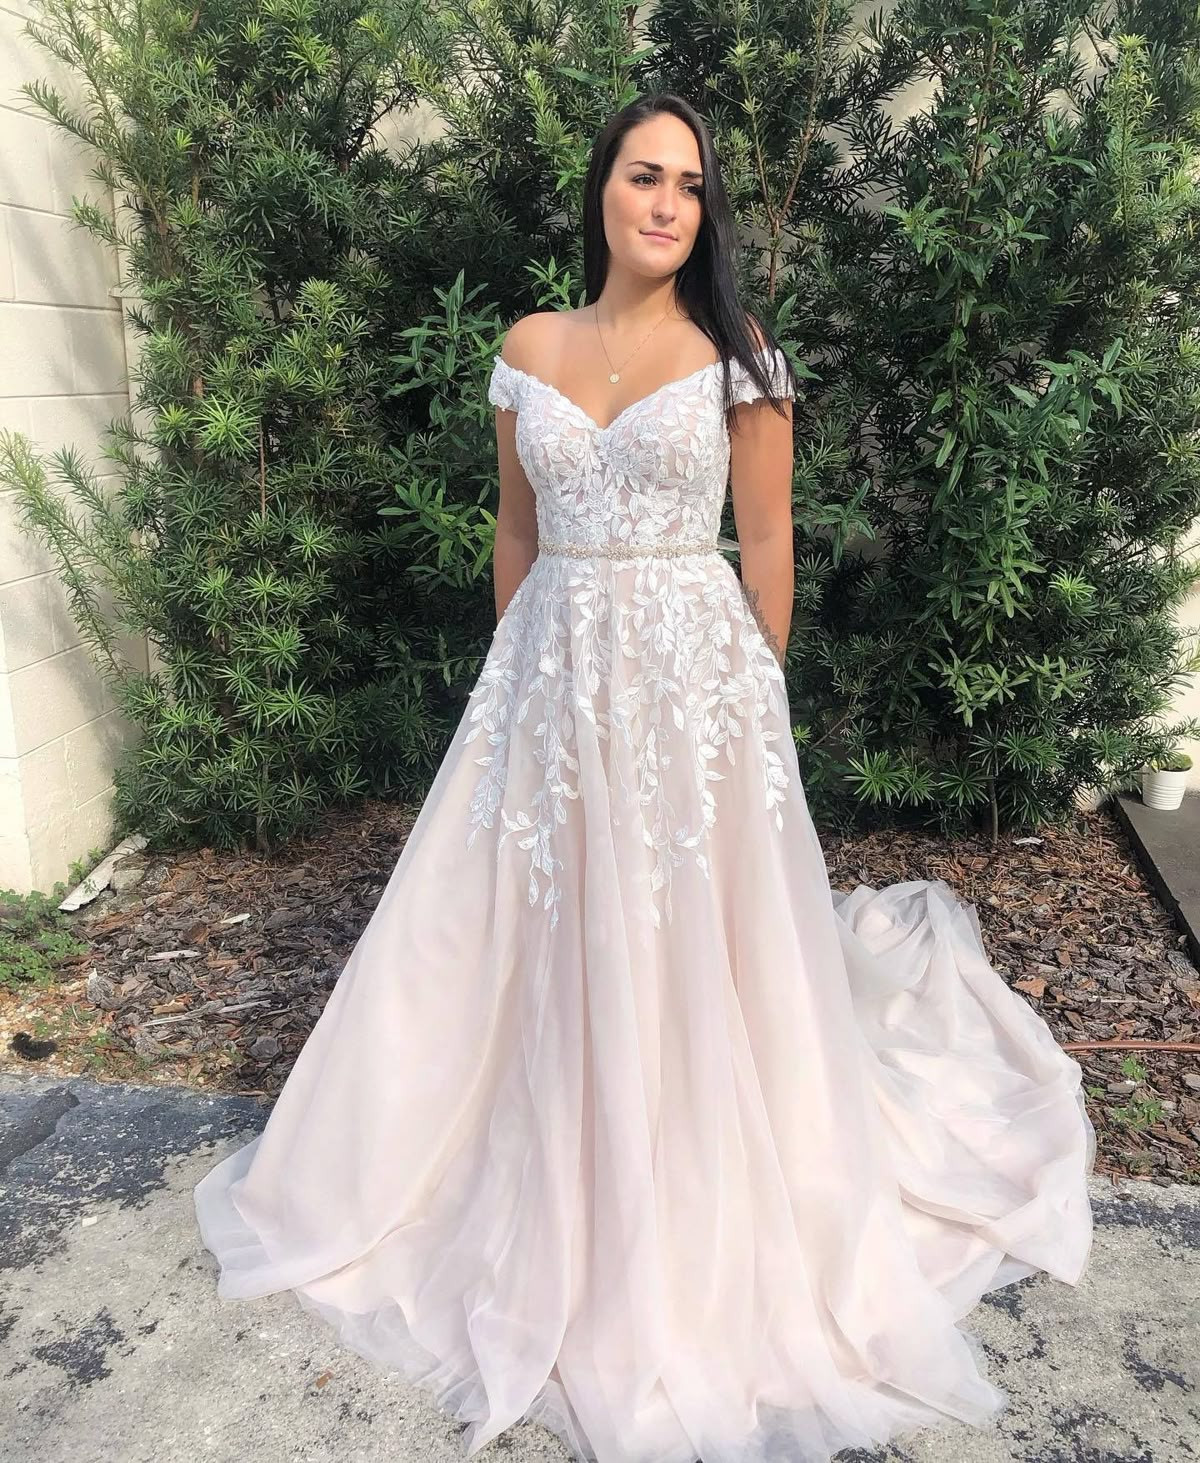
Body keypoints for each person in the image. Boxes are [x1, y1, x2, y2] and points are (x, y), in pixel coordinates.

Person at [194, 91, 1095, 1463]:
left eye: (688, 184)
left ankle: (686, 1203)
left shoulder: (740, 358)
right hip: (548, 685)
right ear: (602, 191)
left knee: (685, 941)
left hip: (693, 688)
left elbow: (768, 544)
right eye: (642, 176)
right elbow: (515, 529)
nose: (667, 202)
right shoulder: (528, 348)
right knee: (517, 938)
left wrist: (750, 705)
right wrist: (521, 684)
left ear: (704, 209)